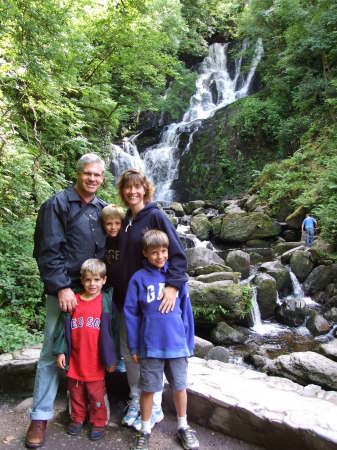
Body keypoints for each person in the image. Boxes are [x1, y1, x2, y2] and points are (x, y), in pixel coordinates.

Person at [25, 153, 107, 449]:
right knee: (51, 351)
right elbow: (47, 250)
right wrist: (61, 287)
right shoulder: (57, 204)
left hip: (93, 293)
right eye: (88, 173)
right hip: (64, 292)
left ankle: (95, 410)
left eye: (97, 175)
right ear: (78, 174)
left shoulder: (101, 209)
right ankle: (40, 417)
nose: (93, 179)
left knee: (93, 349)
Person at [112, 169, 188, 432]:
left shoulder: (154, 216)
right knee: (130, 352)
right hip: (126, 299)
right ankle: (136, 400)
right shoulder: (124, 220)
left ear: (145, 189)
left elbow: (177, 253)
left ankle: (153, 405)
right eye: (127, 188)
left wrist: (173, 286)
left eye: (137, 187)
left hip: (151, 302)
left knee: (148, 354)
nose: (132, 192)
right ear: (122, 192)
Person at [124, 229, 199, 450]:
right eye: (154, 252)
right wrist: (134, 346)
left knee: (180, 387)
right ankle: (145, 429)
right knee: (148, 389)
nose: (160, 256)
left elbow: (187, 312)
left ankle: (183, 426)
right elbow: (131, 314)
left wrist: (189, 343)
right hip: (150, 346)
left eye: (164, 251)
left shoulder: (174, 278)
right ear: (145, 253)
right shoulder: (138, 279)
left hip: (177, 345)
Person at [54, 258, 118, 441]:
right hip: (75, 359)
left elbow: (113, 333)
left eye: (97, 280)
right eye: (88, 280)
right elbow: (61, 328)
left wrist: (112, 359)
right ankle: (77, 418)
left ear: (104, 280)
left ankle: (98, 422)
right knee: (75, 392)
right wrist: (60, 351)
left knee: (96, 394)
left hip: (96, 361)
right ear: (82, 280)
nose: (92, 284)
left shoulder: (106, 303)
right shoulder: (73, 301)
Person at [101, 203, 127, 372]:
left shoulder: (126, 240)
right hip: (106, 290)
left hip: (123, 290)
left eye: (117, 223)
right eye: (109, 223)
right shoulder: (100, 240)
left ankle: (122, 359)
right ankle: (110, 357)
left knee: (123, 327)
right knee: (110, 324)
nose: (113, 227)